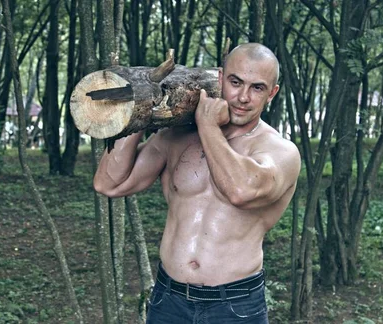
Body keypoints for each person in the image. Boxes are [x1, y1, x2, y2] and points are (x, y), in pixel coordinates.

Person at [93, 43, 301, 323]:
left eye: (257, 88)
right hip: (169, 300)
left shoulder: (280, 151)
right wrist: (140, 108)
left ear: (272, 93)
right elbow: (109, 183)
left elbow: (240, 191)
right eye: (235, 82)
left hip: (235, 307)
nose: (242, 97)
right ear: (219, 77)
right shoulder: (177, 136)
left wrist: (208, 125)